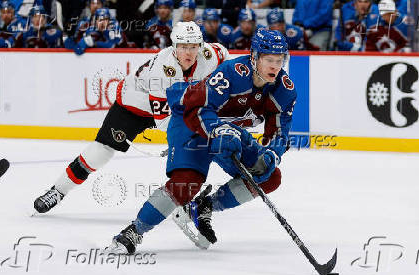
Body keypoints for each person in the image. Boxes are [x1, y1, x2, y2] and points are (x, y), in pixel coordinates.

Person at [105, 29, 296, 254]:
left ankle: (204, 207)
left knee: (269, 176)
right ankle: (134, 231)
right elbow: (199, 108)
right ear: (254, 57)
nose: (275, 66)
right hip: (189, 121)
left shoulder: (284, 89)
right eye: (269, 60)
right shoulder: (232, 73)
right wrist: (217, 132)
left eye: (279, 60)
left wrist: (272, 153)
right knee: (187, 183)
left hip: (229, 132)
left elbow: (280, 133)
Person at [33, 21, 229, 214]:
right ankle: (58, 191)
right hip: (134, 105)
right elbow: (163, 121)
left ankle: (185, 196)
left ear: (201, 46)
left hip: (175, 103)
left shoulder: (210, 55)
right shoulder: (163, 70)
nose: (189, 52)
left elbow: (225, 59)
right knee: (101, 151)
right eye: (183, 47)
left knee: (194, 147)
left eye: (193, 46)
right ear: (173, 46)